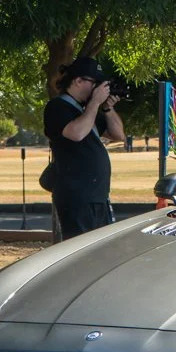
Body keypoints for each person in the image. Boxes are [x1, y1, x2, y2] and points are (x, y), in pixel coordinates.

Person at [43, 56, 125, 237]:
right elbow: (76, 133)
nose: (98, 88)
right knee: (81, 250)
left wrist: (107, 108)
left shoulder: (87, 109)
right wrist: (95, 103)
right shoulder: (57, 107)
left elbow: (118, 135)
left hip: (98, 197)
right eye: (94, 82)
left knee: (100, 251)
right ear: (77, 80)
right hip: (77, 197)